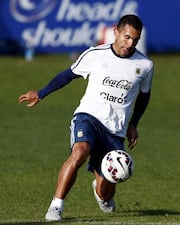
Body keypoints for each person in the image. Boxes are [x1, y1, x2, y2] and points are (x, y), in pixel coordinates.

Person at [18, 14, 154, 222]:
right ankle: (56, 206)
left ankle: (100, 189)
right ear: (115, 33)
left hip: (115, 130)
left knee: (106, 191)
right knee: (79, 153)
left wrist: (134, 123)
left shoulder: (144, 65)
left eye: (135, 39)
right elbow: (67, 75)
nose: (130, 43)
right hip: (88, 117)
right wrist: (41, 93)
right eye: (127, 37)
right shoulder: (94, 55)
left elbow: (144, 96)